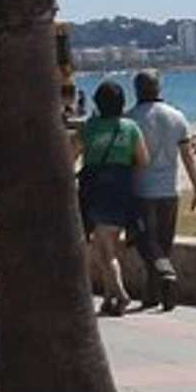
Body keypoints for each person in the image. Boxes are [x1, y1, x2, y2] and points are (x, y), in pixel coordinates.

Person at [130, 70, 196, 311]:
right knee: (162, 245)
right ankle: (155, 294)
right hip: (170, 190)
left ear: (136, 89)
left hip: (142, 190)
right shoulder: (177, 116)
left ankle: (164, 278)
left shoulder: (130, 118)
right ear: (159, 88)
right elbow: (188, 157)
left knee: (146, 242)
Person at [72, 78, 149, 318]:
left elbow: (70, 155)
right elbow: (143, 160)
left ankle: (121, 294)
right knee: (109, 245)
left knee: (104, 249)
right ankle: (108, 297)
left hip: (96, 190)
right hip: (122, 189)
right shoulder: (130, 127)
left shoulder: (89, 128)